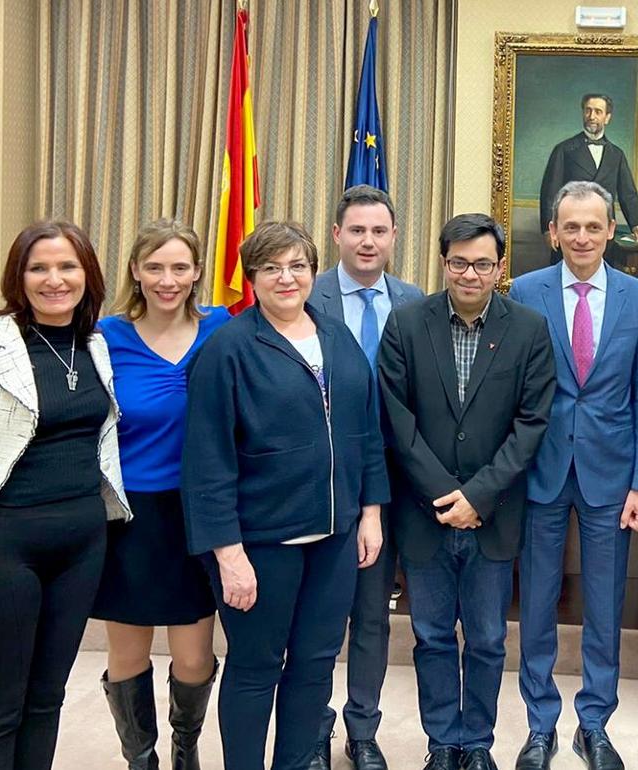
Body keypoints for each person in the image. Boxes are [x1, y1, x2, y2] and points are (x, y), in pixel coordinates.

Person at [181, 221, 389, 770]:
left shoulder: (336, 338)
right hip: (259, 543)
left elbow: (364, 430)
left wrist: (370, 511)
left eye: (297, 265)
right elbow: (206, 462)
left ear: (313, 272)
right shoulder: (227, 349)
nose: (286, 277)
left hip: (335, 537)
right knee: (255, 667)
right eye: (271, 267)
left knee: (316, 666)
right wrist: (227, 554)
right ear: (252, 277)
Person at [0, 220, 129, 770]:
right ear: (17, 278)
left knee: (47, 700)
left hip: (80, 549)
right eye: (38, 267)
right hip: (0, 551)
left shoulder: (95, 345)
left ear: (87, 274)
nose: (54, 279)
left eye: (67, 266)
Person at [377, 213, 557, 770]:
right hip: (424, 515)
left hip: (494, 514)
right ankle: (441, 743)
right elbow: (397, 422)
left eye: (482, 263)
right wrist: (444, 497)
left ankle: (476, 744)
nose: (470, 274)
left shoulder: (528, 328)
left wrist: (477, 497)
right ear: (442, 263)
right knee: (430, 637)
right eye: (459, 263)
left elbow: (531, 424)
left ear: (500, 267)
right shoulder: (406, 324)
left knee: (485, 640)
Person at [508, 180, 638, 770]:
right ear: (553, 232)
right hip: (540, 473)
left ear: (610, 231)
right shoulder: (523, 292)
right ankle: (540, 725)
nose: (581, 237)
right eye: (570, 226)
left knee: (604, 606)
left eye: (593, 226)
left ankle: (594, 723)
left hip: (612, 476)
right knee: (539, 605)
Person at [89, 219, 230, 769]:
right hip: (128, 515)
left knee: (194, 656)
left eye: (179, 267)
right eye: (154, 267)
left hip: (198, 511)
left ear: (197, 272)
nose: (167, 279)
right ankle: (140, 758)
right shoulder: (106, 337)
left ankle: (184, 747)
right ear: (135, 272)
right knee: (128, 651)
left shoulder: (223, 329)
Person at [310, 184, 425, 770]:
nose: (368, 241)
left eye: (379, 231)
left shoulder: (414, 299)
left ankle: (363, 729)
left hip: (396, 481)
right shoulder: (307, 295)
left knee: (374, 614)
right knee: (321, 617)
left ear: (394, 237)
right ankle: (313, 728)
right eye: (356, 230)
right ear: (336, 235)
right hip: (322, 481)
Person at [539, 93, 638, 268]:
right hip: (571, 229)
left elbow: (628, 193)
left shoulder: (616, 154)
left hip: (602, 230)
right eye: (588, 111)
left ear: (607, 118)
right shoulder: (564, 150)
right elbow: (549, 193)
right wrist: (548, 229)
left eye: (598, 112)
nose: (592, 116)